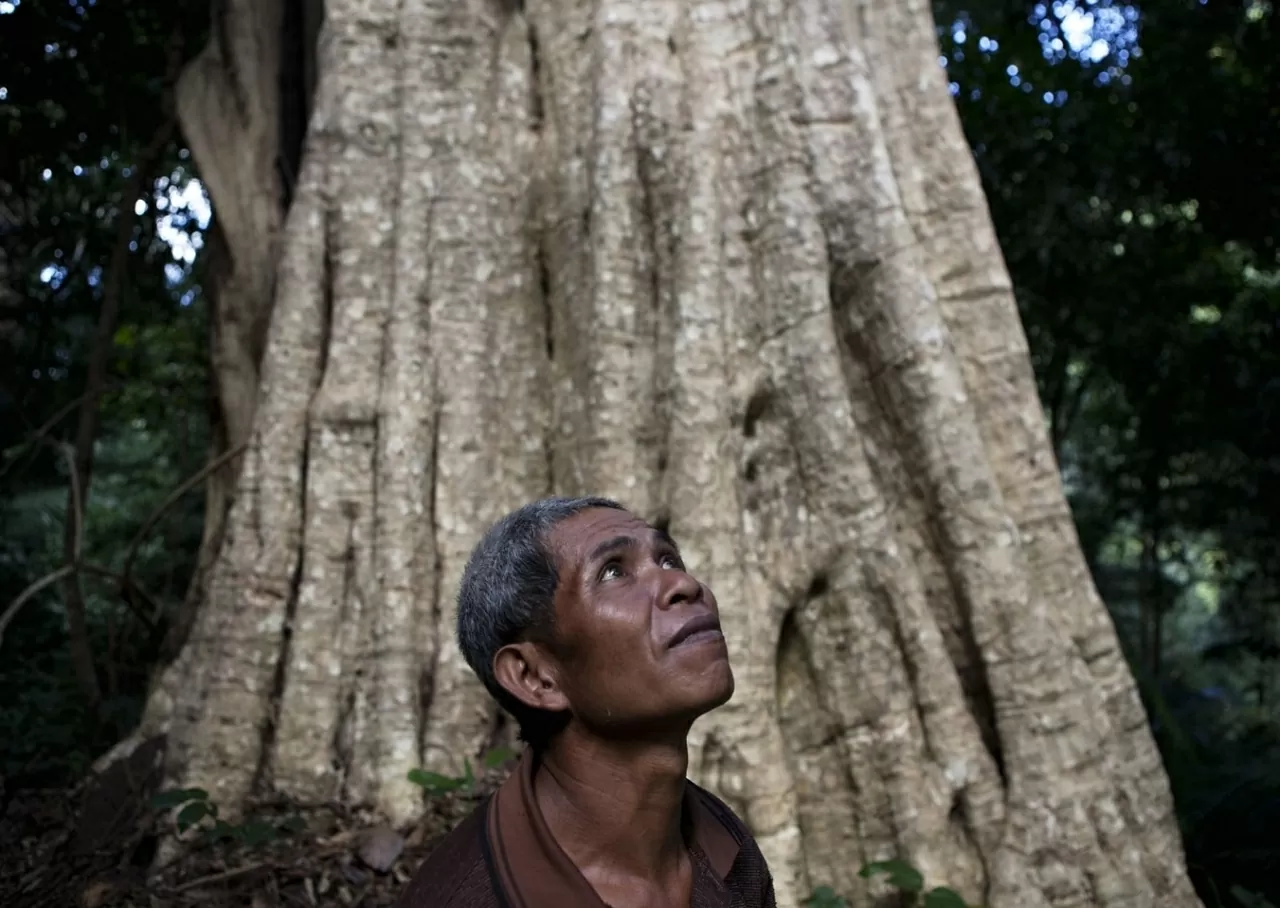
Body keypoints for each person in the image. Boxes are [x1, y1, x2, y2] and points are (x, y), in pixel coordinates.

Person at [395, 496, 776, 908]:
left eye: (668, 560)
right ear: (535, 677)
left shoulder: (724, 848)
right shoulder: (468, 898)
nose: (683, 584)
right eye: (613, 571)